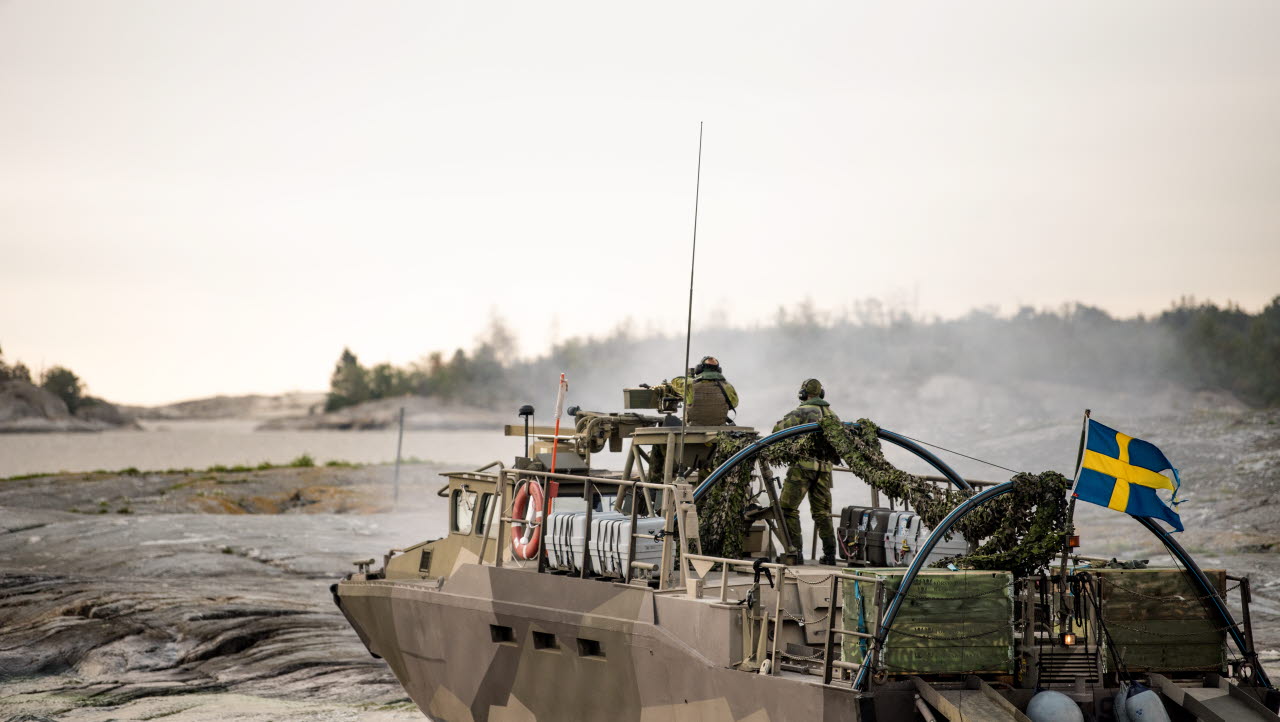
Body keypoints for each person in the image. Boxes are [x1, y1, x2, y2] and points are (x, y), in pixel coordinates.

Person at [773, 378, 840, 565]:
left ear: (803, 394)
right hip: (825, 469)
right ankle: (829, 555)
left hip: (802, 468)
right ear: (821, 393)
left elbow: (778, 430)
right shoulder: (832, 415)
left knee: (787, 509)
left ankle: (795, 553)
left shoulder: (800, 411)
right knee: (823, 512)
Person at [666, 356, 739, 426]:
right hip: (719, 428)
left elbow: (675, 381)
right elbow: (734, 404)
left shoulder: (690, 385)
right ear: (719, 370)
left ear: (699, 369)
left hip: (694, 428)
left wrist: (689, 378)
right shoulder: (727, 386)